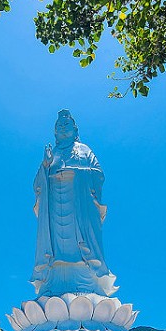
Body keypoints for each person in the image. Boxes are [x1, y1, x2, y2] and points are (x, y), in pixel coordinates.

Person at [31, 109, 117, 298]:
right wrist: (45, 166)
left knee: (82, 246)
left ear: (75, 129)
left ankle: (88, 285)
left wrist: (76, 173)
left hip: (79, 206)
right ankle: (53, 284)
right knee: (55, 248)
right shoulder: (51, 155)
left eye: (66, 124)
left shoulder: (84, 151)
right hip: (54, 208)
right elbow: (37, 186)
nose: (62, 128)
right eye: (59, 126)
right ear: (54, 132)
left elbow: (98, 174)